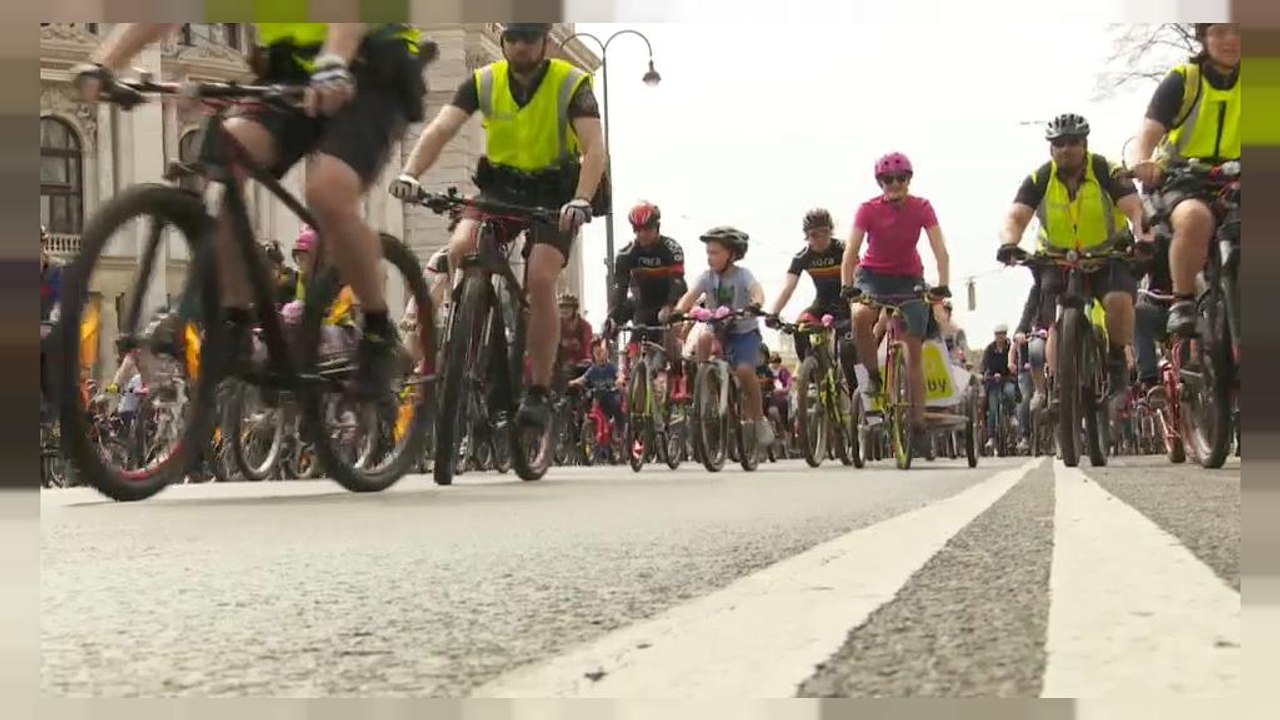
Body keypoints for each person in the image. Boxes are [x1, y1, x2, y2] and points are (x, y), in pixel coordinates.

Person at [76, 22, 427, 402]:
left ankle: (378, 329)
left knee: (328, 190)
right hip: (291, 70)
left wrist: (334, 59)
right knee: (227, 153)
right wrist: (104, 64)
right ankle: (237, 317)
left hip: (373, 63)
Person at [390, 22, 607, 433]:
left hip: (554, 193)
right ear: (503, 41)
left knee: (541, 280)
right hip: (501, 186)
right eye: (514, 38)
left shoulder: (571, 83)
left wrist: (580, 198)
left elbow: (594, 147)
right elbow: (441, 129)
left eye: (530, 38)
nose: (521, 47)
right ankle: (467, 326)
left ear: (545, 42)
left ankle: (539, 391)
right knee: (459, 250)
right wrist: (411, 173)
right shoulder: (483, 80)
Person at [996, 113, 1152, 403]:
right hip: (1057, 257)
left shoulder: (1107, 170)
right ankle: (1059, 384)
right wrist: (1009, 243)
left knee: (1119, 301)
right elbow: (1016, 216)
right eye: (1058, 144)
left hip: (1109, 253)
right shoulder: (1039, 178)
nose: (1065, 149)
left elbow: (1134, 208)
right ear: (1050, 149)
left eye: (1072, 143)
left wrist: (1143, 237)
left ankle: (1116, 358)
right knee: (1057, 316)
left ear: (1085, 145)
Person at [1128, 23, 1240, 337]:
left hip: (1240, 175)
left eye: (1239, 31)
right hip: (1183, 175)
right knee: (1194, 219)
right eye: (1219, 31)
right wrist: (1143, 162)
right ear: (1204, 37)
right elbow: (1148, 133)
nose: (1230, 40)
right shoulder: (1183, 79)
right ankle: (1183, 300)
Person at [840, 152, 952, 451]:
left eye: (900, 179)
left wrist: (942, 285)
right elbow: (851, 252)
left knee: (913, 349)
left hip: (908, 277)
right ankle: (874, 376)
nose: (894, 184)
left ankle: (917, 423)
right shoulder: (867, 210)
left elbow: (940, 249)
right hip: (872, 275)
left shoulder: (922, 207)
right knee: (861, 316)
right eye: (887, 180)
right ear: (880, 183)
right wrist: (847, 286)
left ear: (908, 180)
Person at [674, 226, 774, 447]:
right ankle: (705, 383)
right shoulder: (707, 278)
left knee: (745, 370)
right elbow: (690, 296)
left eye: (715, 252)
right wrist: (678, 311)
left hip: (743, 331)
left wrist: (756, 304)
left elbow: (757, 291)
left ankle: (758, 418)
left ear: (732, 254)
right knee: (703, 338)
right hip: (716, 329)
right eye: (708, 253)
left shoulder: (743, 275)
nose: (710, 257)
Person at [766, 208, 859, 391]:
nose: (819, 239)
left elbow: (859, 276)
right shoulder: (802, 257)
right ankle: (814, 378)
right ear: (807, 236)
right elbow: (788, 287)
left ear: (830, 231)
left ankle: (857, 394)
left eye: (823, 233)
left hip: (846, 304)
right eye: (813, 235)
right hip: (822, 304)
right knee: (800, 329)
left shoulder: (843, 249)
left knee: (848, 351)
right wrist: (773, 313)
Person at [604, 201, 688, 388]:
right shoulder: (627, 254)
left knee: (666, 320)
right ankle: (638, 385)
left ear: (656, 227)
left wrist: (671, 305)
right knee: (636, 343)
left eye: (647, 229)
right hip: (646, 303)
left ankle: (676, 370)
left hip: (671, 298)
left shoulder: (671, 248)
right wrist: (612, 317)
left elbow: (677, 281)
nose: (642, 234)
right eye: (637, 230)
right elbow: (620, 289)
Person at [568, 337, 624, 445]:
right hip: (598, 399)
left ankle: (619, 431)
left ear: (606, 353)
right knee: (589, 399)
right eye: (597, 354)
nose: (599, 356)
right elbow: (583, 379)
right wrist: (572, 383)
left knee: (618, 409)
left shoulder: (611, 367)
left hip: (611, 397)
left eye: (601, 352)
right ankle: (589, 432)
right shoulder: (593, 370)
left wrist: (619, 380)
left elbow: (619, 375)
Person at [981, 325, 1018, 452]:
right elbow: (984, 366)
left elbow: (1015, 362)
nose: (1000, 337)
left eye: (1002, 334)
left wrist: (1011, 371)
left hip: (1007, 379)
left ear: (1006, 334)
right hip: (993, 382)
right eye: (997, 334)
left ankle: (1012, 415)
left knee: (1009, 392)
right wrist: (989, 373)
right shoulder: (989, 350)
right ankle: (991, 437)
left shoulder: (1011, 348)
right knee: (992, 409)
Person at [557, 292, 595, 386]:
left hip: (581, 363)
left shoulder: (585, 326)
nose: (564, 310)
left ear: (574, 309)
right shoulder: (556, 325)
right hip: (561, 364)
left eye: (567, 307)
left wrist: (581, 360)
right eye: (561, 307)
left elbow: (587, 347)